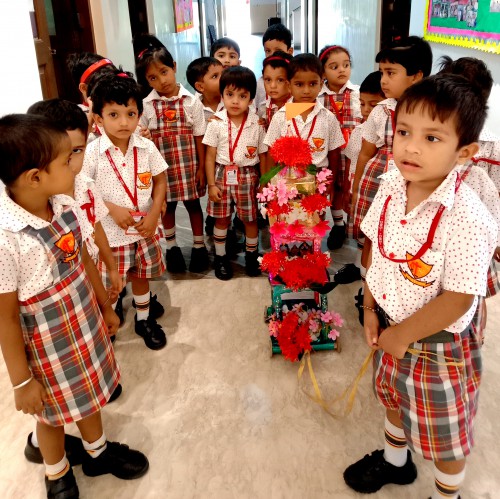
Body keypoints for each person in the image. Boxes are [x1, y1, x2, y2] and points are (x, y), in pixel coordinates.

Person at [343, 74, 498, 499]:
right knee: (393, 399)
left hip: (436, 345)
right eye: (404, 132)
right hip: (389, 323)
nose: (410, 147)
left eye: (432, 138)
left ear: (464, 152)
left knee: (444, 434)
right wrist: (371, 310)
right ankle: (396, 463)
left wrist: (401, 335)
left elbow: (459, 299)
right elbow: (376, 251)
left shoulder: (467, 215)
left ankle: (448, 495)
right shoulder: (392, 184)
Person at [0, 114, 149, 499]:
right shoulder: (6, 239)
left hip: (84, 324)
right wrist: (21, 382)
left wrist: (106, 307)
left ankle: (97, 452)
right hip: (46, 347)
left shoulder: (64, 204)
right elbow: (6, 319)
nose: (75, 167)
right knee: (50, 415)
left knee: (89, 394)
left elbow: (82, 257)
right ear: (35, 177)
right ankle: (57, 472)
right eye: (66, 161)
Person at [83, 70, 168, 350]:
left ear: (139, 115)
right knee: (113, 279)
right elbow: (83, 190)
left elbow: (160, 180)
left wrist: (154, 214)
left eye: (130, 114)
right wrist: (109, 208)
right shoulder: (92, 153)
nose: (123, 122)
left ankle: (143, 318)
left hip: (144, 229)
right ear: (98, 119)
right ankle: (110, 315)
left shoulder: (146, 147)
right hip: (110, 235)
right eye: (114, 114)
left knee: (141, 275)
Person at [350, 36, 432, 317]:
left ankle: (398, 297)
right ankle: (367, 295)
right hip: (377, 183)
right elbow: (365, 153)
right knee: (372, 239)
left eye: (390, 73)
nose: (383, 80)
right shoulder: (381, 111)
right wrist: (356, 189)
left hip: (413, 187)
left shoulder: (432, 111)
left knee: (405, 245)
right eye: (382, 72)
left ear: (416, 76)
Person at [437, 55, 500, 342]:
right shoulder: (436, 135)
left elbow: (496, 195)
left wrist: (495, 239)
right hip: (438, 229)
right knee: (443, 289)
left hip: (474, 235)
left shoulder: (491, 145)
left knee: (474, 294)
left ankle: (474, 337)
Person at [135, 40, 209, 274]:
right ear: (147, 81)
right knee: (165, 207)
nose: (161, 80)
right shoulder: (147, 105)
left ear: (174, 66)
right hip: (161, 171)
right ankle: (172, 247)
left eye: (164, 72)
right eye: (153, 78)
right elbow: (141, 136)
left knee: (193, 205)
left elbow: (199, 136)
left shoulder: (191, 102)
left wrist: (201, 168)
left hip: (189, 166)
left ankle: (199, 247)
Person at [203, 66, 267, 280]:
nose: (235, 101)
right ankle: (221, 258)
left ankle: (251, 257)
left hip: (248, 175)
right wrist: (211, 184)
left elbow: (263, 155)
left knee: (250, 220)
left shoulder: (257, 124)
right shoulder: (216, 122)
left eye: (242, 96)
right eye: (230, 94)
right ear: (222, 95)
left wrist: (264, 182)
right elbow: (210, 156)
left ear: (251, 99)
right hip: (222, 175)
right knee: (221, 219)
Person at [264, 53, 344, 194]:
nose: (306, 91)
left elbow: (334, 154)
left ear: (321, 84)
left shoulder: (329, 118)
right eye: (299, 84)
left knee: (316, 210)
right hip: (286, 181)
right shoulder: (280, 117)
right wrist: (270, 182)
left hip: (318, 181)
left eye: (312, 84)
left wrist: (331, 182)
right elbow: (271, 152)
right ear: (289, 86)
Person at [334, 71, 385, 286]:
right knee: (361, 231)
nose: (365, 110)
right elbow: (351, 162)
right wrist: (350, 189)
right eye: (362, 103)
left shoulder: (390, 135)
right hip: (358, 187)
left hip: (377, 190)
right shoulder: (359, 131)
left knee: (375, 233)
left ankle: (371, 276)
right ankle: (358, 265)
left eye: (373, 105)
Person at [317, 44, 363, 250]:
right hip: (330, 152)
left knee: (349, 188)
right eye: (334, 67)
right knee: (334, 186)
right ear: (323, 72)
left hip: (353, 152)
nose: (342, 70)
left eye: (346, 65)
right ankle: (338, 225)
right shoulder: (318, 97)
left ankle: (354, 224)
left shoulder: (357, 93)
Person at [254, 23, 294, 110]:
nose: (272, 55)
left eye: (278, 50)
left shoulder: (295, 80)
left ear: (290, 51)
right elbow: (255, 108)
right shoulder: (260, 83)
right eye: (268, 51)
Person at [258, 50, 292, 130]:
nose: (272, 86)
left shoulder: (297, 105)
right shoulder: (263, 107)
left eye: (280, 80)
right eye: (268, 80)